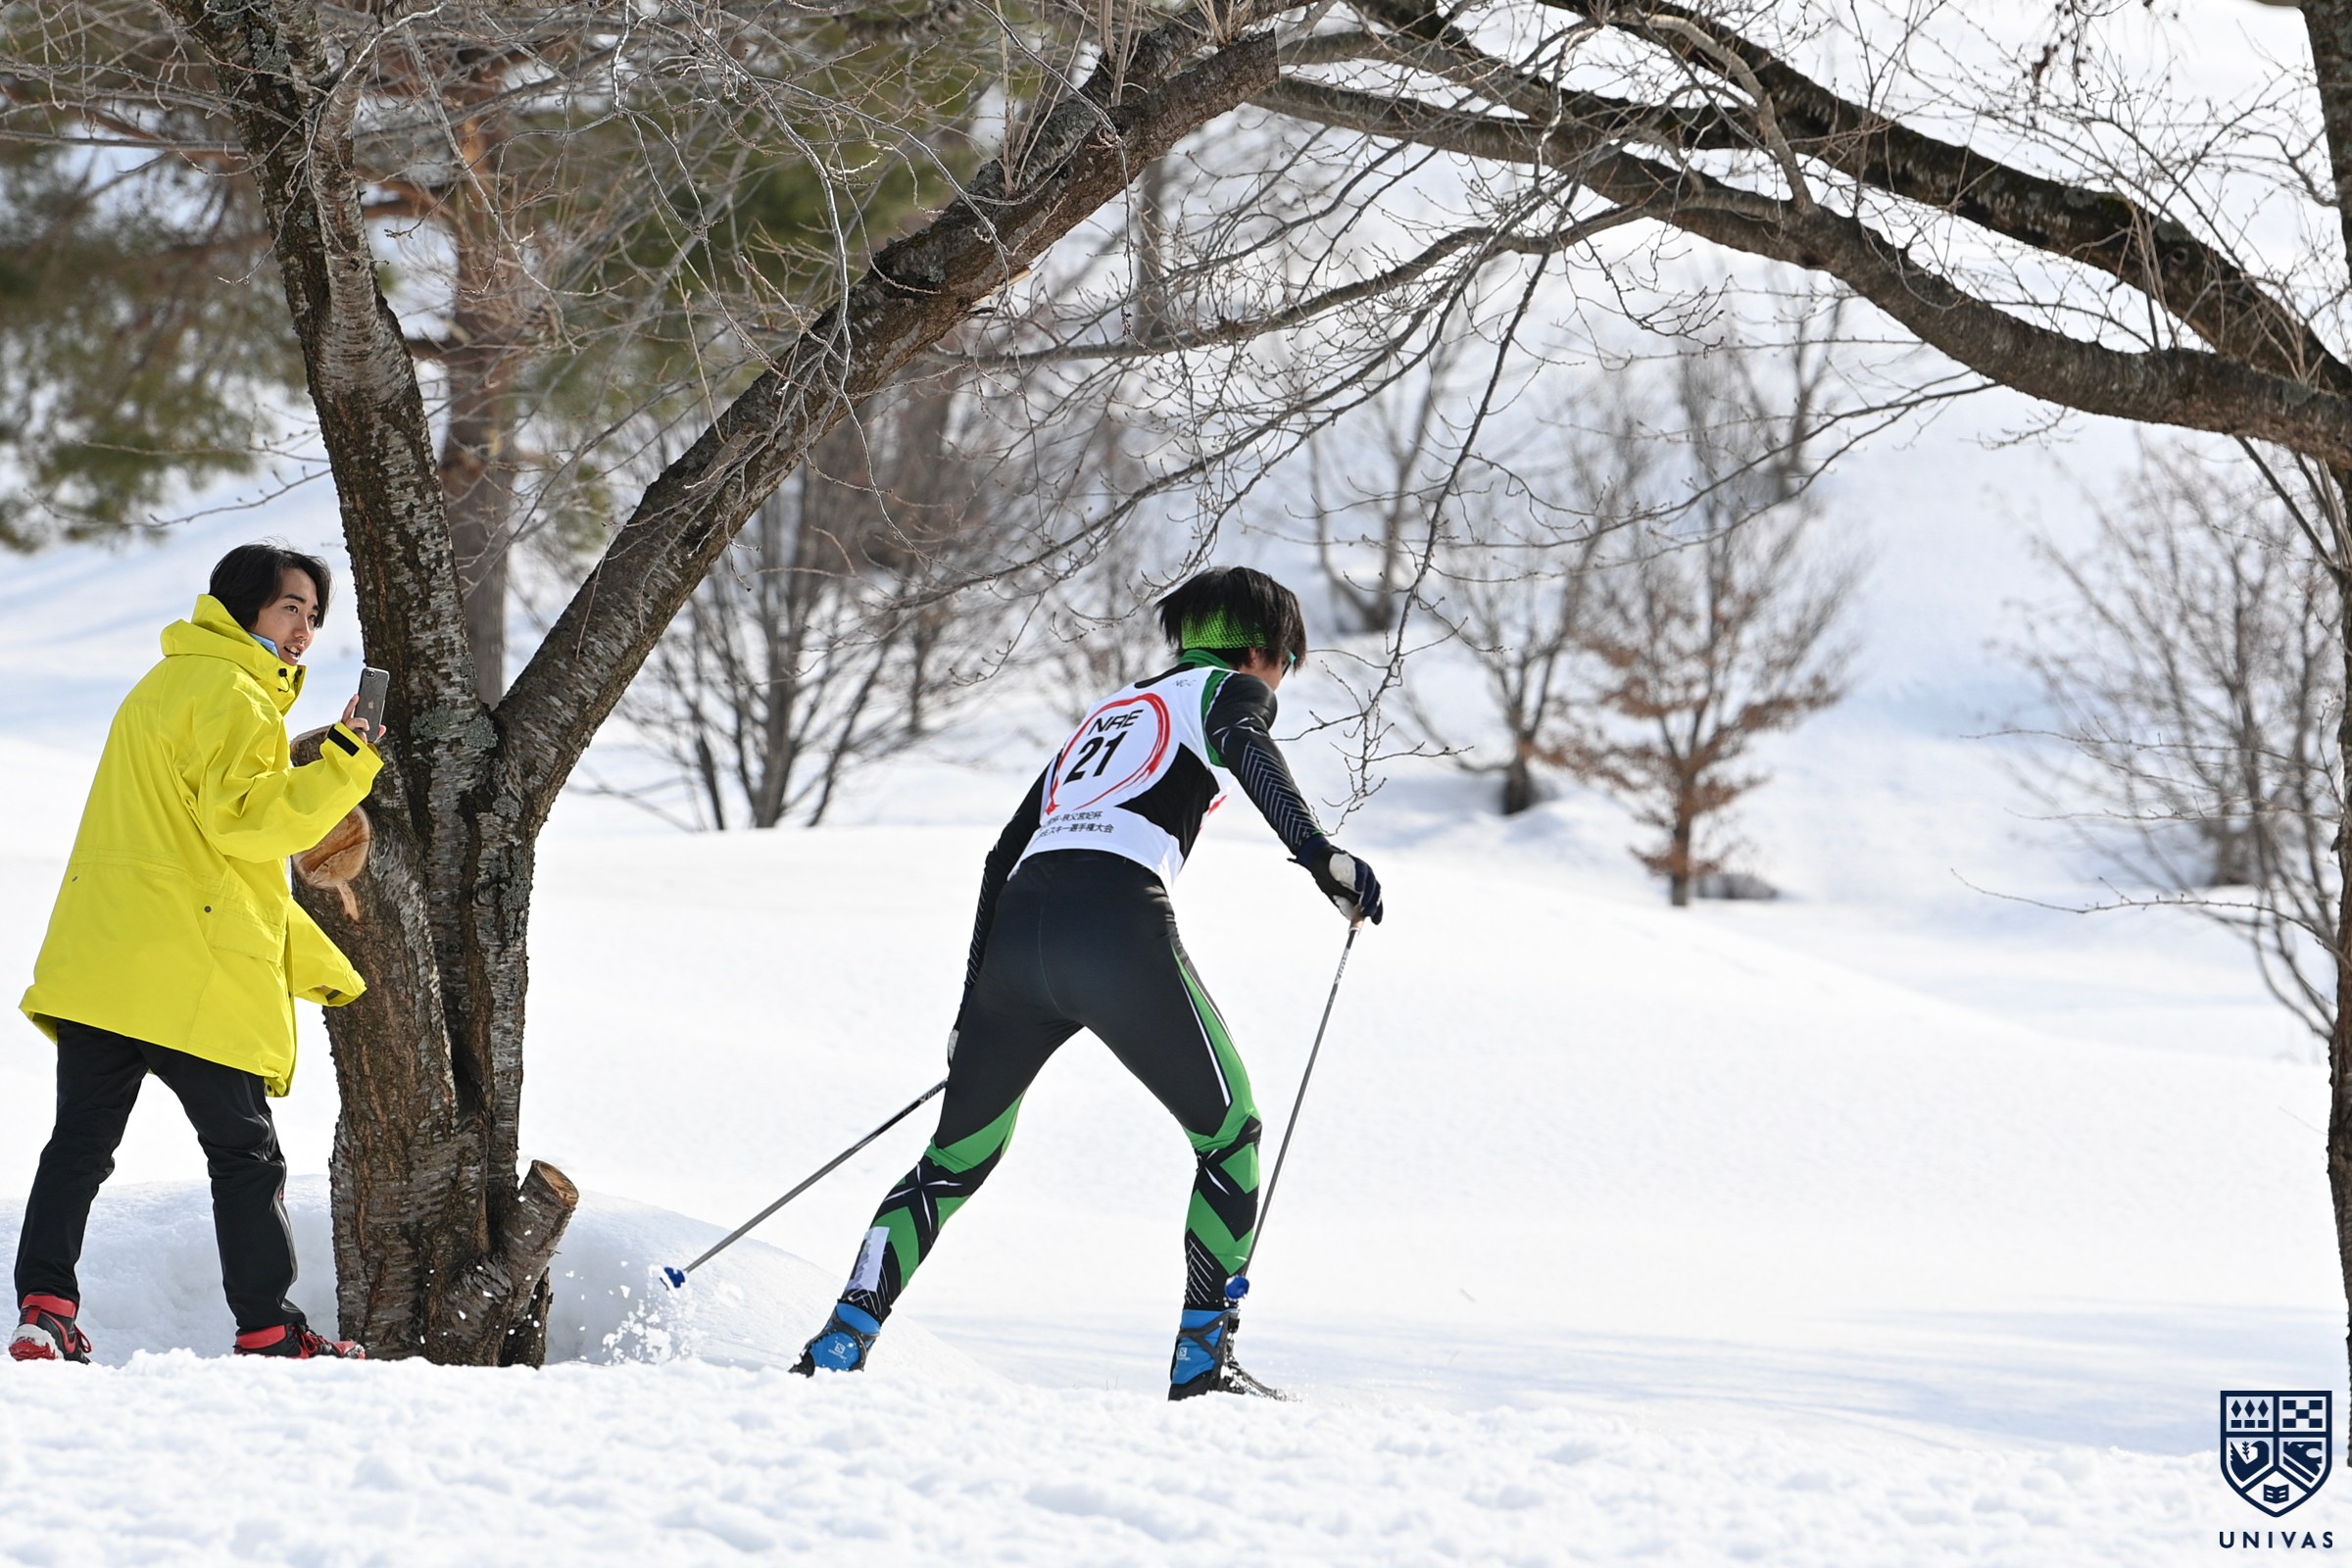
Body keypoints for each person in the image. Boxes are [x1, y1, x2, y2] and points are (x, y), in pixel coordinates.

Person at [792, 566, 1384, 1399]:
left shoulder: (1109, 715)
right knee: (1230, 1135)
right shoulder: (1229, 690)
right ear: (1261, 652)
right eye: (1287, 663)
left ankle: (838, 1345)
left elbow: (1003, 853)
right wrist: (1319, 855)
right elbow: (1250, 751)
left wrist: (971, 1006)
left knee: (952, 1160)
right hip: (1113, 926)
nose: (1280, 681)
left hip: (1019, 938)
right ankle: (1200, 1365)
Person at [11, 544, 387, 1364]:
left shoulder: (160, 686)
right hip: (190, 978)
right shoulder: (235, 693)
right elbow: (244, 824)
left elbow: (193, 859)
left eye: (313, 615)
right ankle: (268, 1327)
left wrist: (318, 963)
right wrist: (345, 764)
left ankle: (44, 1311)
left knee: (78, 1147)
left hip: (104, 963)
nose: (304, 630)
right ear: (245, 606)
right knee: (246, 1157)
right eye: (290, 608)